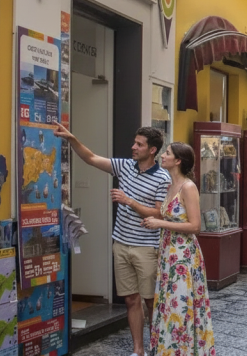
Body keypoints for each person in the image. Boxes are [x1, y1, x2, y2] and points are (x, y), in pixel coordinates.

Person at [53, 122, 169, 356]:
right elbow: (92, 158)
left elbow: (159, 213)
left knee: (150, 302)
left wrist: (130, 202)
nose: (133, 147)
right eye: (135, 142)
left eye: (139, 144)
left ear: (152, 150)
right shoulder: (125, 166)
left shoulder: (162, 178)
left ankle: (159, 348)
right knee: (130, 300)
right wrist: (72, 139)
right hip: (121, 244)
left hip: (146, 247)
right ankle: (138, 350)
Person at [142, 143, 215, 356]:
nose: (162, 156)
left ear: (178, 161)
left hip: (183, 256)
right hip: (169, 254)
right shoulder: (169, 186)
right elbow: (172, 217)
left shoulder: (188, 187)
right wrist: (152, 220)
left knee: (180, 303)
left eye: (167, 153)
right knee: (169, 304)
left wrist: (161, 224)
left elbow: (195, 226)